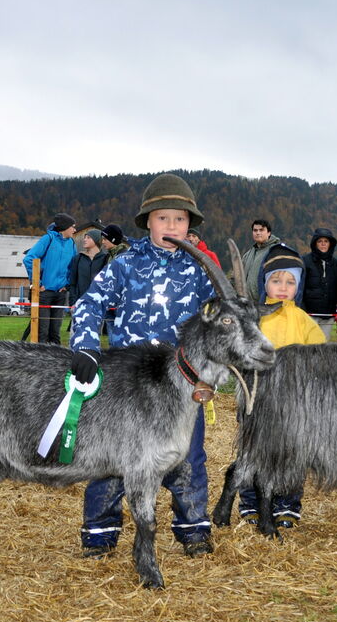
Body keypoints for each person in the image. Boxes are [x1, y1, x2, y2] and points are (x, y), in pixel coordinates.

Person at [68, 174, 217, 559]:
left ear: (190, 224)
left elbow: (218, 320)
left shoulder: (199, 270)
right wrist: (85, 347)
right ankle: (100, 534)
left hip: (180, 385)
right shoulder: (125, 265)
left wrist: (211, 369)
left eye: (180, 219)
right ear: (147, 221)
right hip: (127, 384)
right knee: (113, 458)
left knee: (189, 457)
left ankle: (193, 529)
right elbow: (89, 304)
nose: (172, 226)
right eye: (163, 218)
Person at [238, 252, 326, 526]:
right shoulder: (254, 318)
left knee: (292, 452)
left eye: (290, 282)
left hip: (294, 401)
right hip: (257, 398)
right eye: (276, 281)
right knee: (252, 451)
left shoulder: (303, 320)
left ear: (298, 286)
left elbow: (319, 353)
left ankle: (287, 505)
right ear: (264, 283)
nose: (283, 287)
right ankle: (251, 503)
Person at [23, 213, 77, 343]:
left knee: (55, 333)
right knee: (43, 332)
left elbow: (73, 266)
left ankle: (55, 356)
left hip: (61, 294)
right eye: (73, 227)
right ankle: (40, 356)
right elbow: (29, 259)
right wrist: (37, 283)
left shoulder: (72, 243)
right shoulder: (48, 239)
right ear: (65, 227)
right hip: (44, 293)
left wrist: (67, 284)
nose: (75, 230)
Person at [301, 227, 337, 340]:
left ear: (330, 244)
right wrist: (302, 312)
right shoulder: (305, 262)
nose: (323, 244)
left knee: (323, 345)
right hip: (309, 315)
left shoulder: (336, 265)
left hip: (328, 316)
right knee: (308, 345)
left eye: (326, 241)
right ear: (315, 243)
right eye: (320, 241)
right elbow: (299, 289)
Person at [240, 219, 281, 302]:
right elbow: (237, 276)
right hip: (247, 303)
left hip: (266, 304)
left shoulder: (276, 251)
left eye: (261, 230)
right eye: (255, 230)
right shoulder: (248, 255)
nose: (258, 233)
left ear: (269, 233)